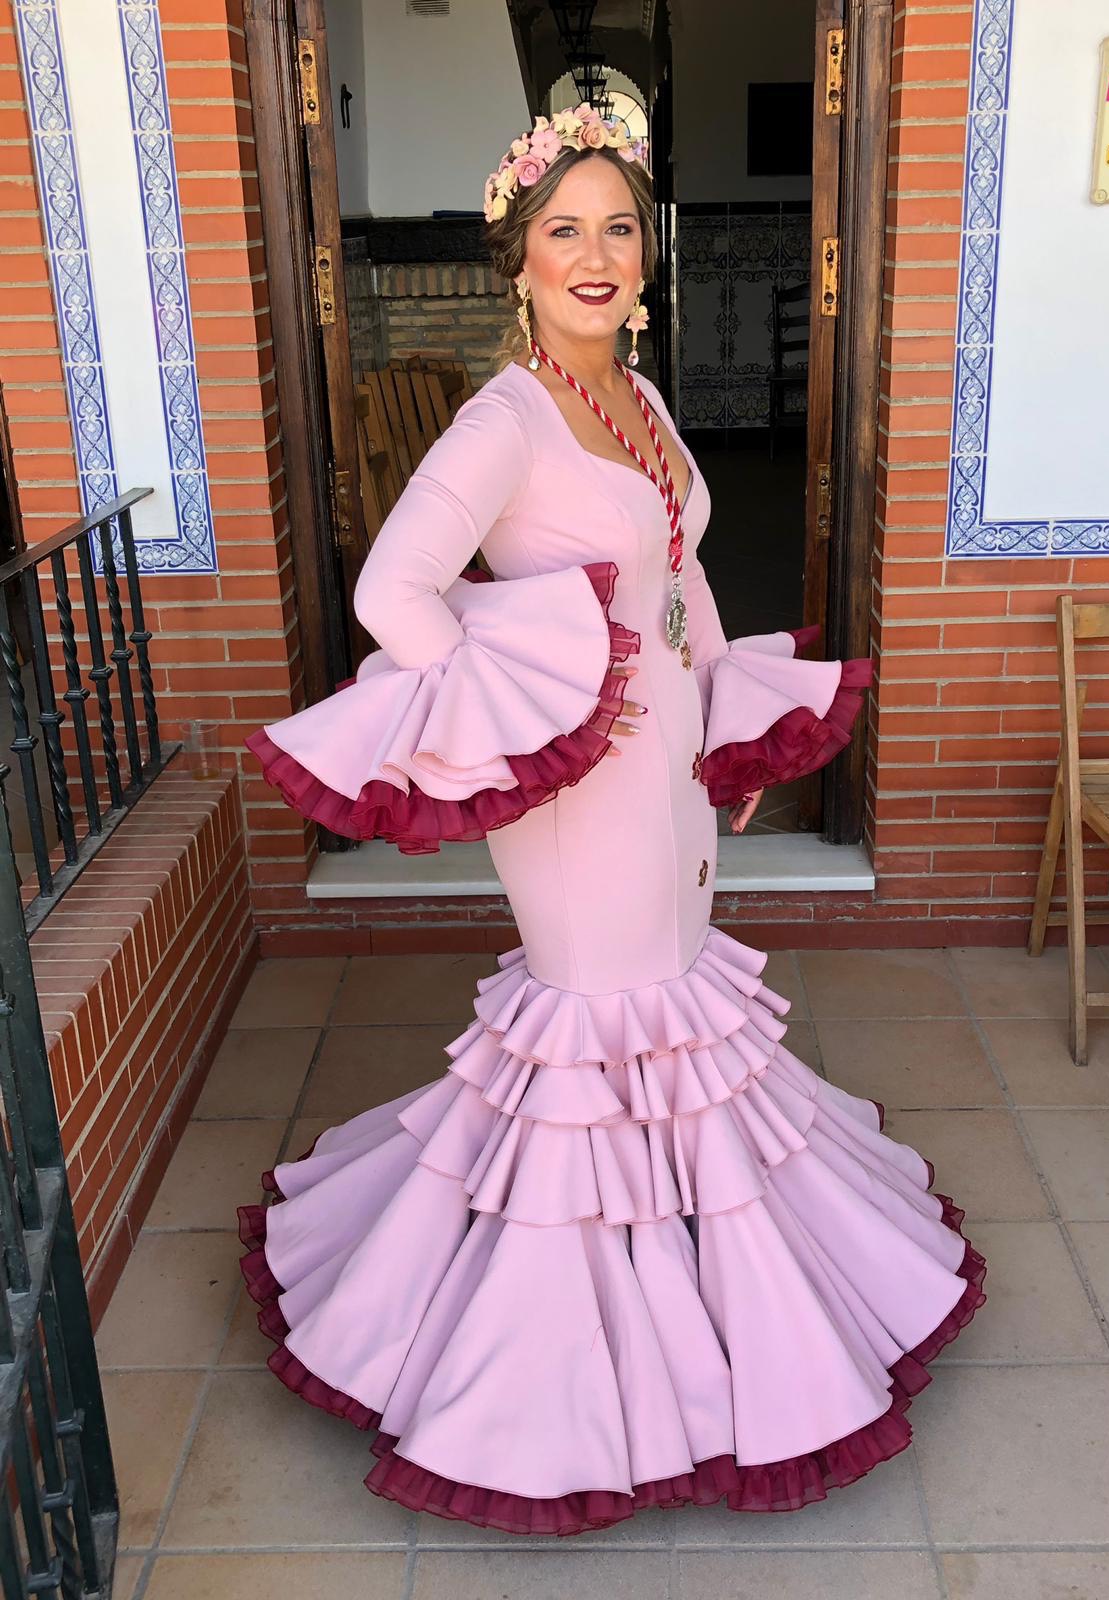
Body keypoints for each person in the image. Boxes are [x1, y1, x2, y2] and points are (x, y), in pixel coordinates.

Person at [237, 102, 985, 1538]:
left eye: (618, 228)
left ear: (648, 255)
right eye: (562, 231)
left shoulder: (637, 398)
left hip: (667, 769)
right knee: (600, 1022)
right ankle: (563, 1358)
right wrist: (525, 713)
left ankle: (686, 1285)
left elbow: (677, 571)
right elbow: (392, 594)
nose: (594, 255)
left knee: (673, 1013)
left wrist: (726, 724)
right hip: (578, 792)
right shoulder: (504, 419)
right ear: (518, 261)